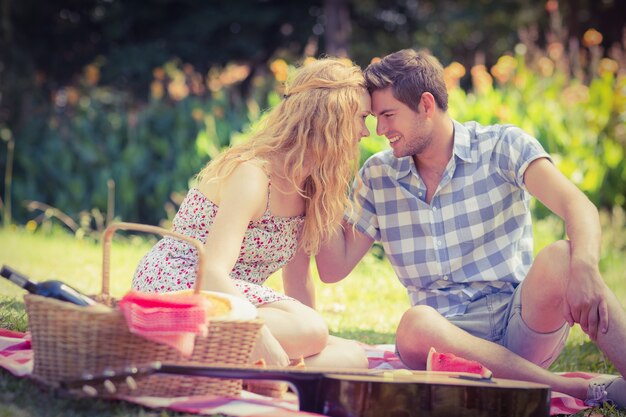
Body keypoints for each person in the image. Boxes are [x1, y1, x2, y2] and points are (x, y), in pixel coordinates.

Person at [316, 48, 626, 407]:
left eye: (388, 115)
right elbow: (332, 269)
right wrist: (321, 174)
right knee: (416, 324)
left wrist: (584, 267)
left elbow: (578, 206)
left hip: (519, 325)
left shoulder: (502, 146)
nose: (380, 130)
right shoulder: (377, 175)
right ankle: (581, 388)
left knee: (564, 255)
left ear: (426, 105)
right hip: (444, 341)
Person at [133, 57, 371, 370]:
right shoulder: (254, 175)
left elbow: (298, 281)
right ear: (333, 118)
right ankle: (237, 365)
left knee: (351, 356)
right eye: (362, 118)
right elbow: (212, 271)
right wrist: (258, 328)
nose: (366, 132)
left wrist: (311, 343)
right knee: (312, 330)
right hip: (184, 287)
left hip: (232, 302)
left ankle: (243, 371)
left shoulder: (310, 189)